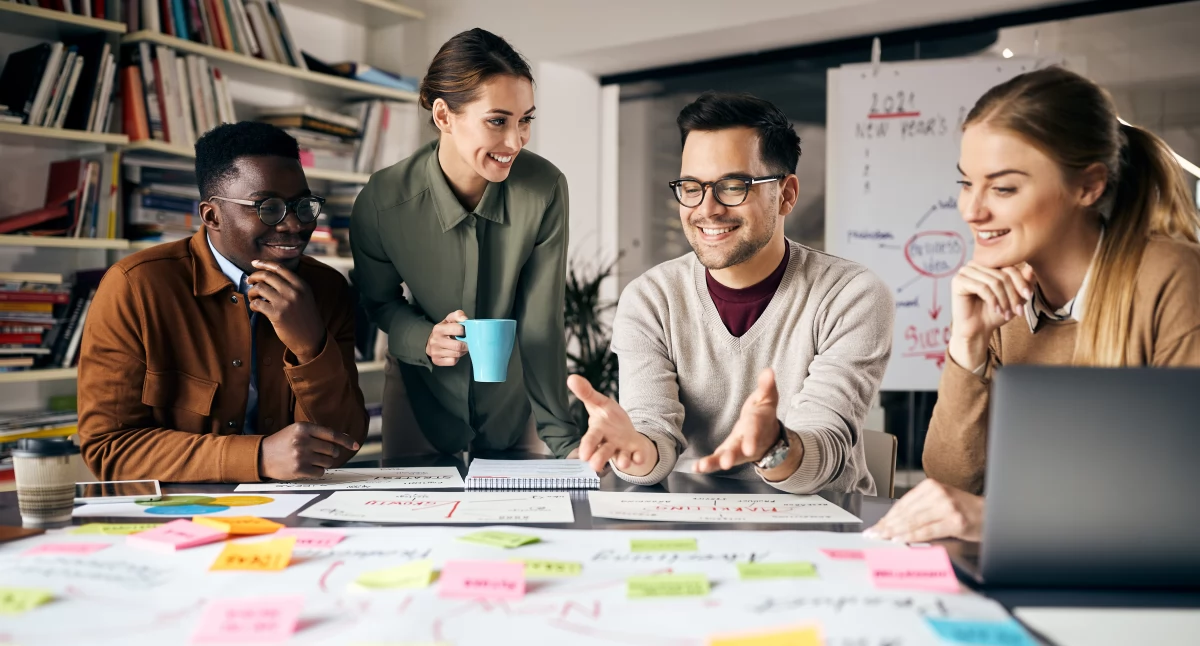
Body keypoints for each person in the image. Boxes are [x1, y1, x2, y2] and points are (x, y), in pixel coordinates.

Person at [867, 66, 1200, 543]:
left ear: (1088, 187)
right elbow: (952, 484)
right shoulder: (1008, 303)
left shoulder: (1172, 278)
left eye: (1002, 188)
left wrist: (999, 521)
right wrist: (969, 345)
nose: (971, 210)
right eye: (966, 183)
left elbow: (1182, 503)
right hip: (1035, 572)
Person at [567, 92, 893, 494]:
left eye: (733, 185)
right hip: (690, 523)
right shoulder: (650, 299)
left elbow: (826, 447)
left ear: (787, 194)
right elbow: (653, 433)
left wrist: (773, 447)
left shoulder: (851, 296)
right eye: (691, 186)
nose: (708, 209)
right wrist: (638, 450)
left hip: (819, 523)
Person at [78, 122, 367, 483]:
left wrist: (310, 348)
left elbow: (343, 443)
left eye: (303, 205)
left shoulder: (327, 289)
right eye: (268, 207)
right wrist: (257, 457)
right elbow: (108, 449)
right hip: (179, 515)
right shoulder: (135, 287)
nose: (294, 224)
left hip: (296, 512)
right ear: (212, 216)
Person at [351, 28, 581, 459]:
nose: (515, 141)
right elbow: (377, 302)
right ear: (444, 116)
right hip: (421, 394)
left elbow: (541, 320)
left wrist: (563, 440)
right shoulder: (383, 200)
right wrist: (423, 338)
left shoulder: (545, 187)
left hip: (517, 400)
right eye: (498, 120)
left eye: (525, 120)